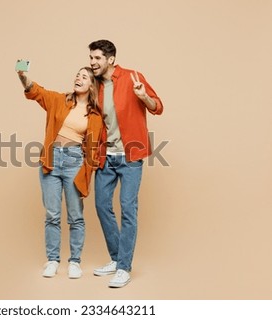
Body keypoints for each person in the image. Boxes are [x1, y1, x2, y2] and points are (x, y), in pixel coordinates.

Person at [88, 40, 164, 288]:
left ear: (110, 59)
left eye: (97, 58)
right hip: (106, 157)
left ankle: (123, 267)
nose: (92, 62)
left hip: (130, 157)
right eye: (91, 58)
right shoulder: (96, 85)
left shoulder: (133, 77)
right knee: (101, 205)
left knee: (128, 210)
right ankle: (116, 257)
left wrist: (144, 97)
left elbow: (158, 107)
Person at [17, 64, 103, 279]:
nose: (79, 78)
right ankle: (53, 260)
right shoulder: (60, 100)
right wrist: (23, 76)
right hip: (51, 159)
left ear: (92, 85)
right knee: (52, 215)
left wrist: (89, 171)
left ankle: (75, 262)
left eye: (84, 77)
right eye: (77, 75)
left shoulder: (95, 115)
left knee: (76, 217)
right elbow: (37, 92)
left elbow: (98, 145)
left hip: (75, 162)